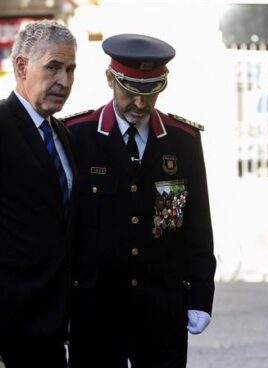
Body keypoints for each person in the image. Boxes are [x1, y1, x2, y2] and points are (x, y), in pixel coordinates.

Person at [63, 34, 217, 367]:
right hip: (95, 308)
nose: (139, 104)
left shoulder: (183, 140)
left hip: (162, 307)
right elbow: (66, 229)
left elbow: (197, 225)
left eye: (150, 94)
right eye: (130, 92)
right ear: (109, 79)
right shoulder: (77, 136)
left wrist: (201, 295)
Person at [0, 20, 77, 368]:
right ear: (21, 67)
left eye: (70, 69)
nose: (64, 81)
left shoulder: (64, 135)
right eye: (53, 67)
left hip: (54, 327)